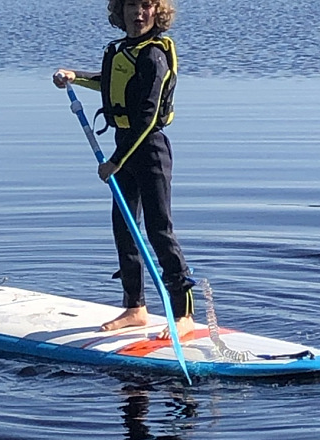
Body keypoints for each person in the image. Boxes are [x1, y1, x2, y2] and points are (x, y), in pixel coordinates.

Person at [52, 0, 194, 340]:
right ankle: (135, 307)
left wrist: (116, 161)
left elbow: (146, 120)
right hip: (124, 147)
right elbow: (109, 82)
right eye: (133, 5)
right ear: (122, 10)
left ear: (157, 12)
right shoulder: (123, 51)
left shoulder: (154, 56)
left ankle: (184, 314)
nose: (139, 13)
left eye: (146, 6)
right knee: (124, 228)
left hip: (149, 152)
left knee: (160, 230)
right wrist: (75, 76)